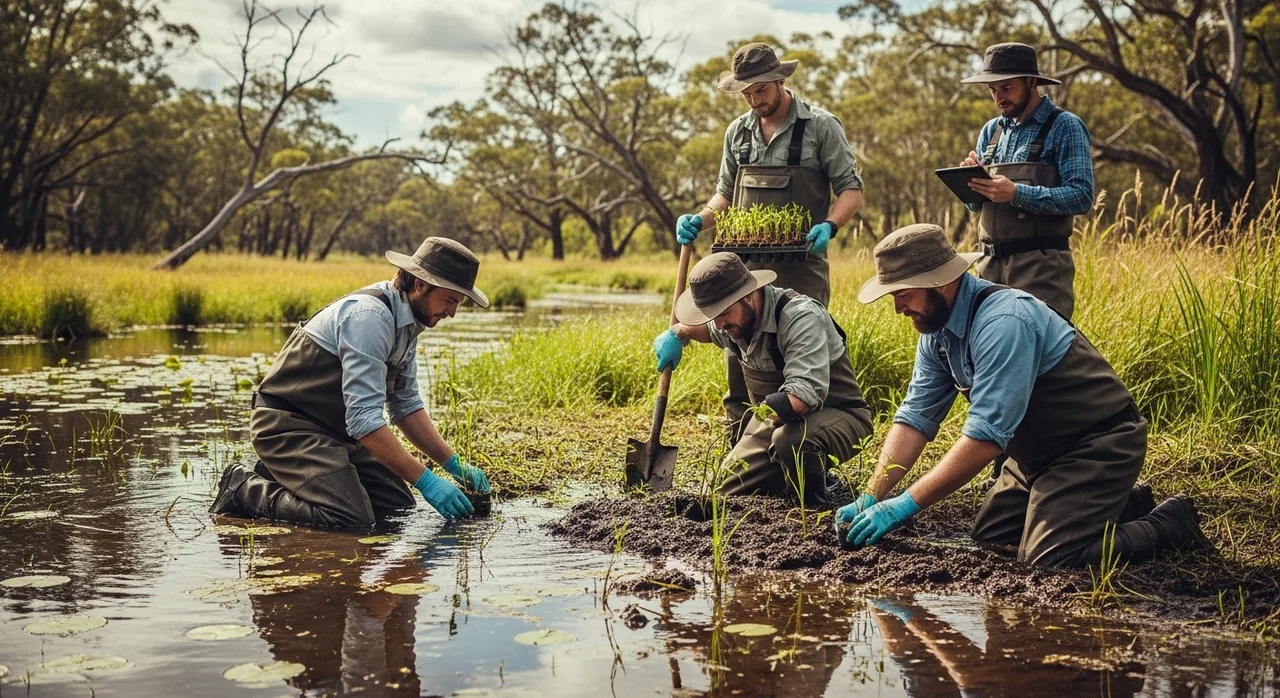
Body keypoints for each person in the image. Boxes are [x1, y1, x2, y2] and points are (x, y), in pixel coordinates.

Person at [835, 224, 1212, 567]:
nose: (899, 308)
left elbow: (984, 439)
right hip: (1036, 457)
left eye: (903, 294)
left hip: (1096, 445)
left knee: (1051, 557)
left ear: (940, 281)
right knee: (994, 536)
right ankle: (1126, 504)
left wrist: (904, 505)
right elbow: (915, 418)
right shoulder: (937, 331)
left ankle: (1168, 523)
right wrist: (872, 494)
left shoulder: (1004, 322)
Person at [210, 237, 492, 528]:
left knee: (398, 507)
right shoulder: (369, 318)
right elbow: (364, 421)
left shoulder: (409, 324)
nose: (452, 312)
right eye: (449, 300)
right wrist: (426, 481)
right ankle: (245, 488)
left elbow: (405, 406)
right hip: (288, 426)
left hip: (337, 434)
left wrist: (452, 464)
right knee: (349, 518)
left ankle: (285, 475)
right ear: (420, 284)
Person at [674, 42, 865, 441]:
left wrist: (829, 225)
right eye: (746, 92)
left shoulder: (820, 126)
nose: (754, 99)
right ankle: (740, 446)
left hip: (802, 264)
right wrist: (701, 218)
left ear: (780, 80)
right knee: (738, 346)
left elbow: (851, 189)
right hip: (743, 268)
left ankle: (801, 444)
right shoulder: (738, 132)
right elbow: (725, 194)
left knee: (798, 347)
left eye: (760, 89)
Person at [653, 253, 872, 506]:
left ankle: (815, 507)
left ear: (747, 295)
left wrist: (745, 450)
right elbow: (705, 330)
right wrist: (678, 332)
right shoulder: (733, 319)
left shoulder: (799, 318)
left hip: (839, 416)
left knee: (788, 442)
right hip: (782, 419)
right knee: (728, 487)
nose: (719, 324)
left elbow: (800, 399)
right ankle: (786, 479)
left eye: (722, 313)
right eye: (712, 315)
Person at [959, 42, 1094, 320]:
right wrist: (971, 183)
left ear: (1031, 82)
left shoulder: (1065, 126)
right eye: (992, 90)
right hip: (989, 269)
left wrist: (1017, 193)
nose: (999, 98)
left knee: (1039, 354)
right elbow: (976, 208)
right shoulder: (990, 131)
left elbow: (1081, 195)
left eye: (1006, 88)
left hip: (1041, 269)